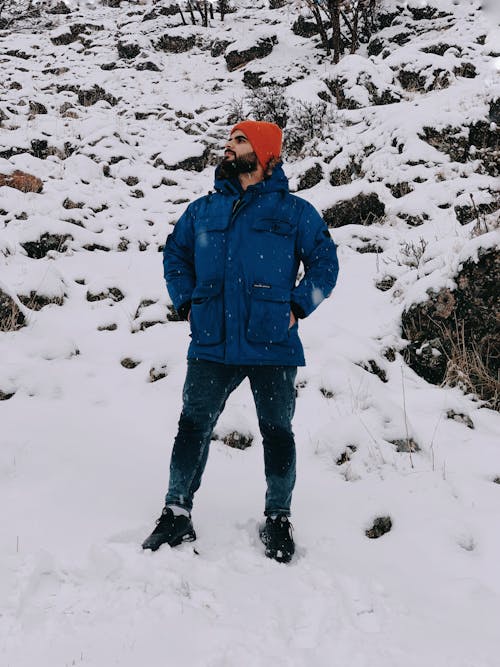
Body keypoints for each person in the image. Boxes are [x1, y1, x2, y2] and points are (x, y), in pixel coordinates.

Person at [142, 120, 339, 563]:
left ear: (265, 154)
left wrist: (298, 306)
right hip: (212, 338)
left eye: (239, 141)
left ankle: (278, 517)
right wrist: (187, 302)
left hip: (272, 340)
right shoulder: (202, 211)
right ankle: (176, 511)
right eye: (229, 140)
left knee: (277, 432)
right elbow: (175, 255)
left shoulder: (295, 212)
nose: (228, 147)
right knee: (193, 425)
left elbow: (326, 264)